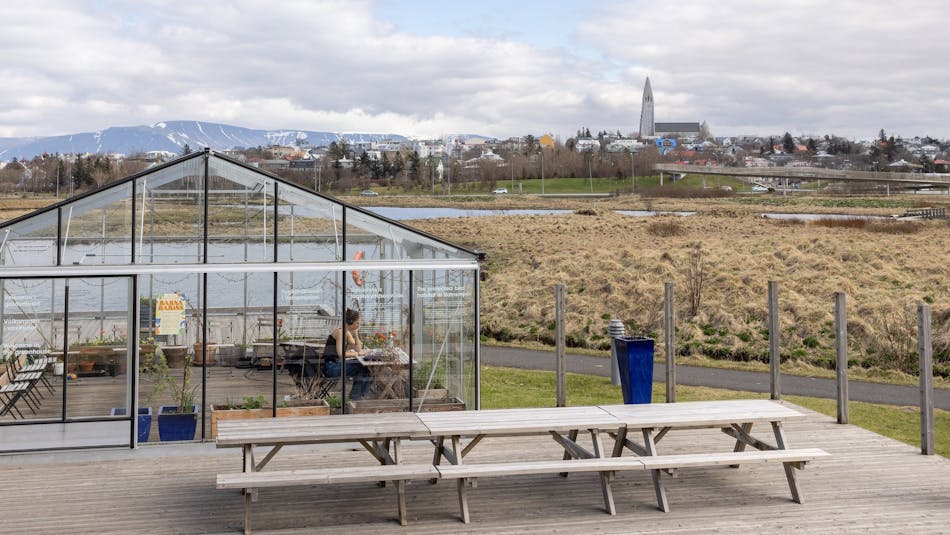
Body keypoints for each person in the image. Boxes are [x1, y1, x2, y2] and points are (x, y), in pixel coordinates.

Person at [322, 308, 372, 400]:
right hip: (331, 367)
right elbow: (341, 354)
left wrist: (356, 333)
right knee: (360, 368)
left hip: (337, 364)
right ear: (351, 322)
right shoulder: (340, 332)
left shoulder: (347, 333)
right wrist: (357, 354)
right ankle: (356, 398)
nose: (358, 325)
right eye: (357, 323)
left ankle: (359, 397)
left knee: (366, 369)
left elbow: (358, 348)